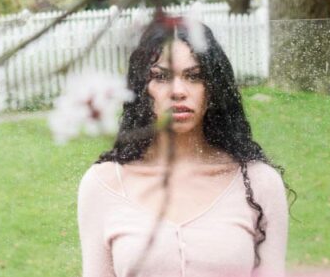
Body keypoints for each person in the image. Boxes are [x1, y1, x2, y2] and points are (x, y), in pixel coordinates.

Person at [78, 18, 289, 277]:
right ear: (140, 88)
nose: (178, 91)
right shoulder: (103, 184)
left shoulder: (259, 183)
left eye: (194, 76)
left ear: (213, 87)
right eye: (160, 77)